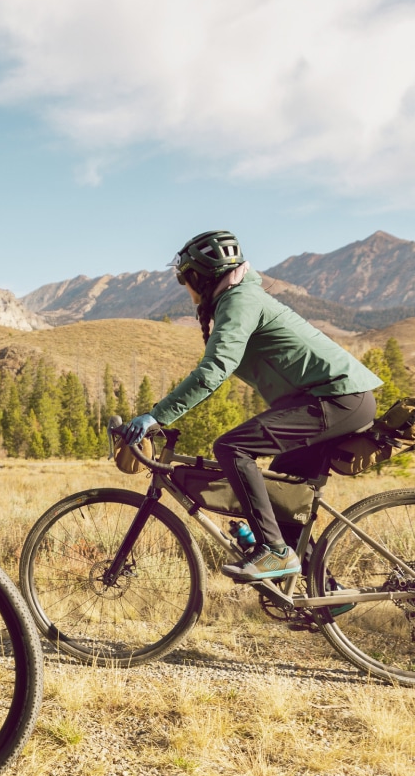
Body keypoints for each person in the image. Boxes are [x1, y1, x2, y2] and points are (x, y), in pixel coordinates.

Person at [125, 230, 382, 581]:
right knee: (282, 496)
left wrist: (157, 414)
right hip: (333, 399)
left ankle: (274, 552)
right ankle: (326, 594)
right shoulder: (236, 298)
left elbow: (215, 368)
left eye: (186, 280)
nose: (186, 290)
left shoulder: (239, 300)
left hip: (337, 398)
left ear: (201, 276)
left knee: (231, 447)